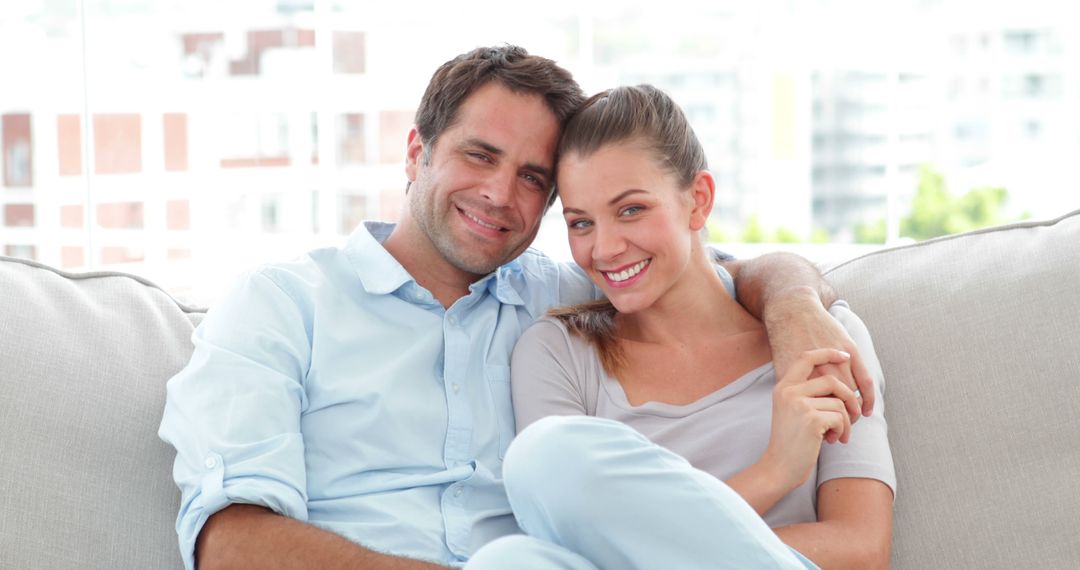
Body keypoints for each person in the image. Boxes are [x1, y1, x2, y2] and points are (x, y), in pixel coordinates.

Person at [158, 46, 875, 570]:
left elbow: (706, 273)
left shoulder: (562, 297)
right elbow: (232, 543)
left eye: (533, 178)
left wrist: (798, 305)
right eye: (479, 156)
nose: (501, 195)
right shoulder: (281, 304)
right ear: (417, 153)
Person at [466, 85, 895, 570]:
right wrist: (775, 470)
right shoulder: (557, 353)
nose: (604, 249)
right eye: (581, 223)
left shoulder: (817, 337)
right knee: (512, 549)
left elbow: (861, 550)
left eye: (631, 209)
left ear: (698, 200)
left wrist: (644, 543)